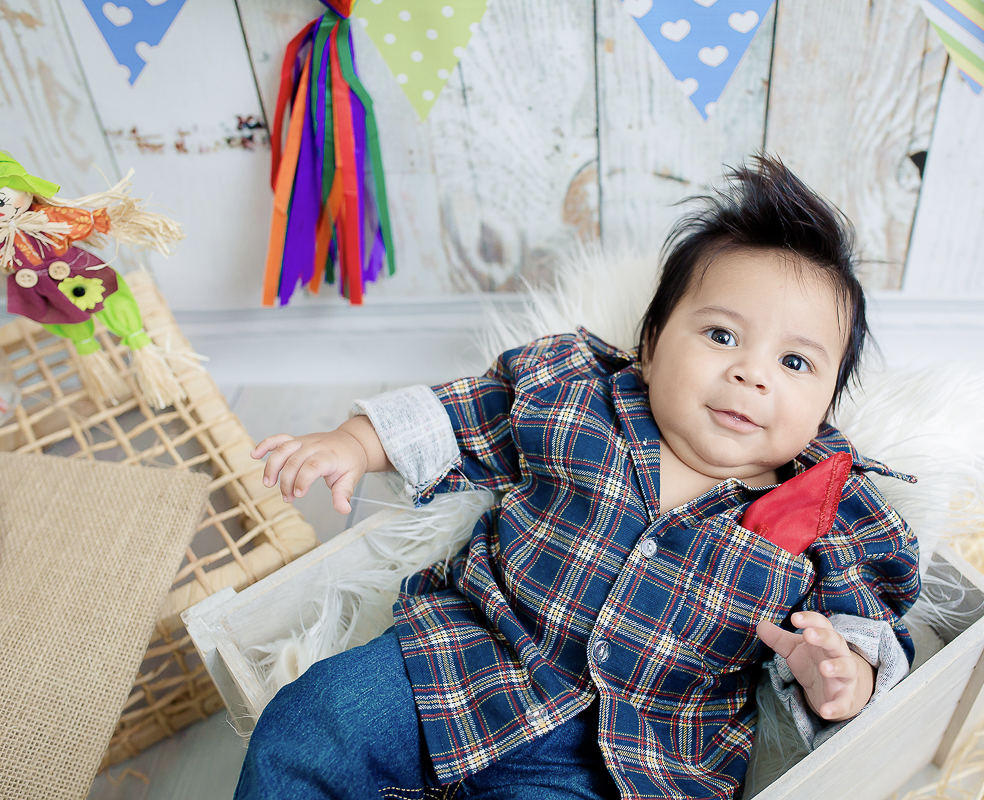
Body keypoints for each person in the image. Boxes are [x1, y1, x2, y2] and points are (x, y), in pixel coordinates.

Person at [239, 154, 920, 800]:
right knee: (312, 717)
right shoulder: (576, 397)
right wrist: (355, 443)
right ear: (650, 346)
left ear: (828, 408)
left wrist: (842, 676)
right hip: (465, 662)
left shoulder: (833, 509)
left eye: (796, 363)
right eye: (721, 335)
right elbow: (465, 414)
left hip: (615, 760)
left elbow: (866, 627)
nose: (752, 372)